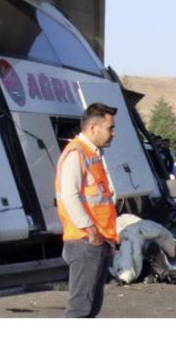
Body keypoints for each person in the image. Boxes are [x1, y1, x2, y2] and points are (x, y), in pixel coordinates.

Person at [55, 102, 120, 318]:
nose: (113, 133)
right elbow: (69, 195)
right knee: (80, 309)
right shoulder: (77, 153)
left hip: (96, 240)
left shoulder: (91, 153)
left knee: (89, 308)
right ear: (93, 127)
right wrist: (89, 229)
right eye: (110, 128)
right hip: (85, 241)